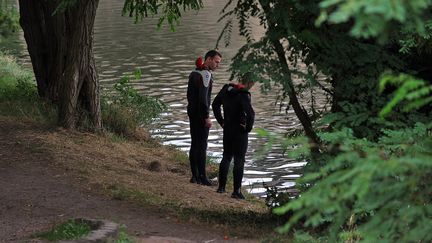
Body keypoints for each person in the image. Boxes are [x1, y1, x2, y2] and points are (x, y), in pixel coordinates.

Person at [212, 72, 255, 199]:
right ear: (249, 83)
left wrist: (221, 121)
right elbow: (251, 114)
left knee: (226, 157)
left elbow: (215, 105)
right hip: (240, 131)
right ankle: (236, 191)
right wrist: (248, 128)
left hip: (228, 128)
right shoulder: (244, 94)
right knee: (239, 160)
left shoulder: (226, 89)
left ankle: (221, 187)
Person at [187, 50, 222, 186]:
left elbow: (190, 96)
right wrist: (206, 117)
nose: (217, 65)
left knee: (194, 143)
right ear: (208, 59)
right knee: (202, 146)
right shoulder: (206, 74)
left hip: (192, 112)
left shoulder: (194, 73)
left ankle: (194, 176)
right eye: (216, 62)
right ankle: (202, 178)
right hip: (200, 115)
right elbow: (203, 99)